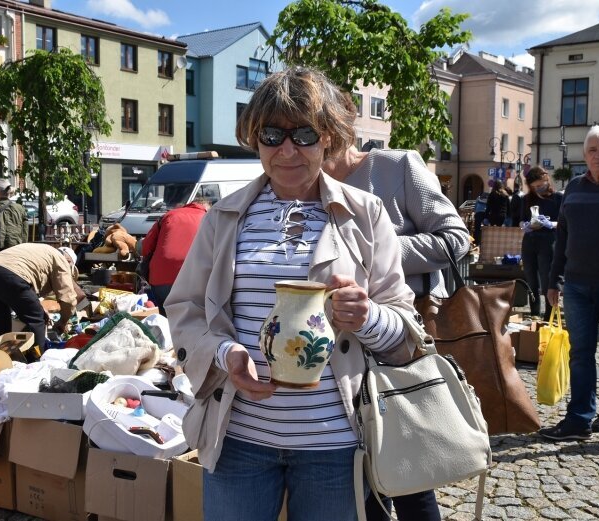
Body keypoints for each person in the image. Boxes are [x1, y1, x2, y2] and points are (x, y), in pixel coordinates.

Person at [165, 66, 420, 521]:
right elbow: (184, 308)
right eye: (271, 135)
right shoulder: (224, 216)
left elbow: (404, 327)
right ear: (254, 139)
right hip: (237, 439)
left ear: (327, 137)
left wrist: (367, 317)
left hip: (335, 445)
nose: (286, 149)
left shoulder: (365, 214)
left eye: (303, 133)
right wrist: (225, 354)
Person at [323, 139, 469, 521]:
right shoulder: (305, 177)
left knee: (406, 461)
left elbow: (456, 239)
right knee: (358, 469)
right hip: (335, 346)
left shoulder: (396, 166)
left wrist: (378, 249)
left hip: (400, 334)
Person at [540, 124, 599, 441]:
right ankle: (579, 419)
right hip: (576, 285)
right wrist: (553, 281)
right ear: (584, 154)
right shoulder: (574, 188)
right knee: (581, 352)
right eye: (593, 149)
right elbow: (561, 239)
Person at [0, 243, 82, 350]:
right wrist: (63, 321)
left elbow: (27, 282)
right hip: (8, 275)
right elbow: (67, 297)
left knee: (0, 320)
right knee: (37, 319)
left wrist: (38, 306)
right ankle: (36, 359)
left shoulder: (40, 250)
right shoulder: (60, 260)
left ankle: (2, 356)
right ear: (69, 262)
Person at [140, 196, 210, 314]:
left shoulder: (168, 215)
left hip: (160, 277)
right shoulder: (210, 218)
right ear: (206, 208)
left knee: (166, 317)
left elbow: (145, 248)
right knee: (194, 320)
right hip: (194, 278)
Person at [516, 166, 562, 320]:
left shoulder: (557, 198)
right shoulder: (527, 198)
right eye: (534, 187)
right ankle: (534, 312)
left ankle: (550, 314)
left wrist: (550, 224)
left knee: (546, 276)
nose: (538, 189)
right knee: (530, 276)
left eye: (540, 185)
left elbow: (563, 222)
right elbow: (521, 220)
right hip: (530, 240)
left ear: (546, 180)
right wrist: (526, 225)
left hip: (548, 241)